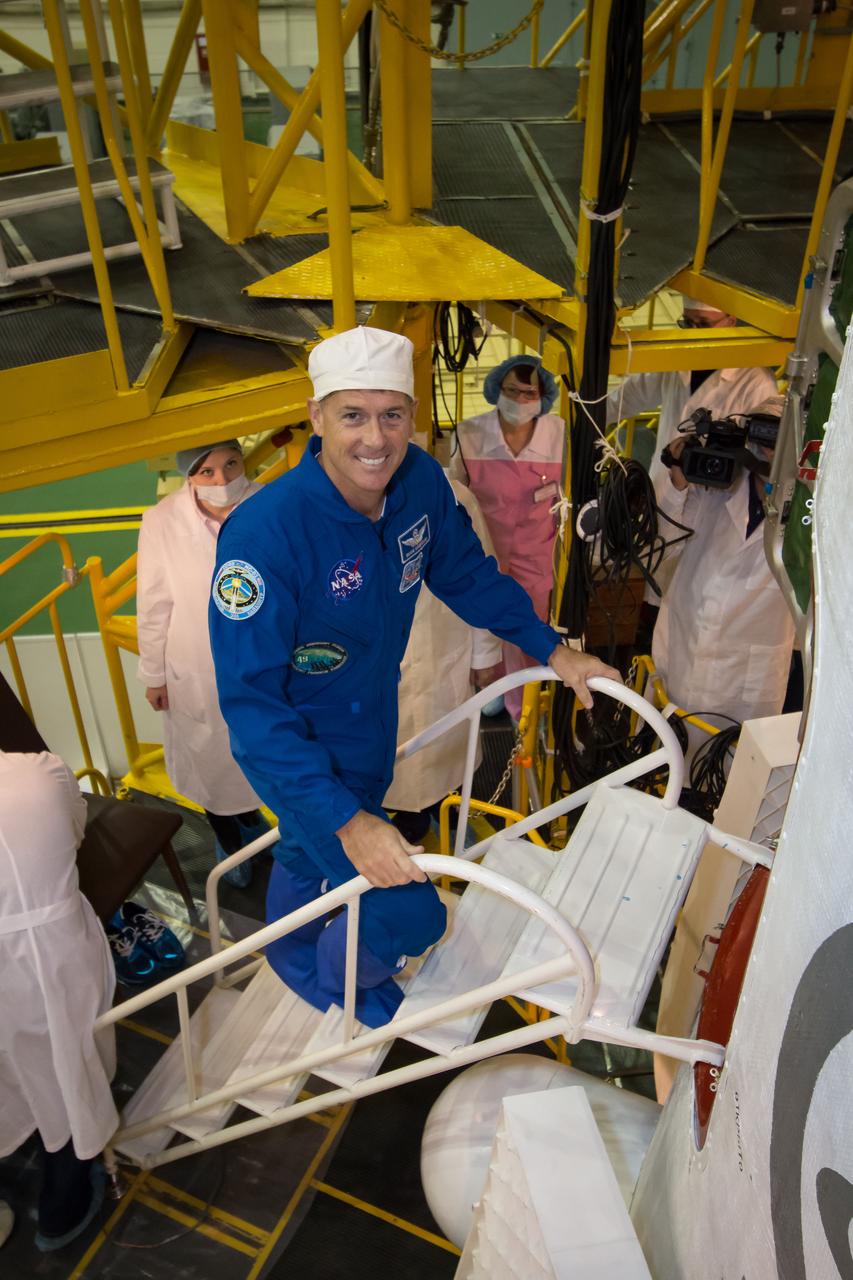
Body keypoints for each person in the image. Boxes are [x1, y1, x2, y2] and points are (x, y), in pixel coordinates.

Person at [208, 327, 618, 1028]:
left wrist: (553, 652)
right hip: (300, 756)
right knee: (411, 915)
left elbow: (465, 575)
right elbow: (252, 711)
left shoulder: (419, 483)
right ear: (316, 418)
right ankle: (331, 978)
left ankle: (296, 948)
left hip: (373, 728)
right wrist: (349, 821)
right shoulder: (262, 537)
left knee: (308, 858)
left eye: (392, 414)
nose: (376, 438)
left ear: (412, 417)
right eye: (353, 416)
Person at [136, 439, 271, 888]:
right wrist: (154, 673)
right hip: (196, 667)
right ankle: (233, 841)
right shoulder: (161, 522)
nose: (222, 480)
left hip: (265, 662)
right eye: (207, 472)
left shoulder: (272, 504)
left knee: (269, 756)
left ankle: (260, 828)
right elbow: (154, 602)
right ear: (188, 475)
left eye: (231, 465)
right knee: (212, 765)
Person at [0, 751, 117, 1251]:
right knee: (67, 1060)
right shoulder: (40, 771)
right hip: (53, 956)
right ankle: (64, 1188)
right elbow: (74, 831)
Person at [652, 395, 795, 726]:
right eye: (763, 441)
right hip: (680, 656)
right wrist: (677, 483)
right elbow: (661, 550)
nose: (770, 453)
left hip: (746, 688)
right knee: (665, 763)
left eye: (780, 442)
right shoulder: (711, 485)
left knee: (730, 771)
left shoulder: (807, 512)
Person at [385, 478, 502, 844]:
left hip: (442, 652)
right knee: (390, 770)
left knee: (445, 760)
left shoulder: (453, 495)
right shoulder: (330, 505)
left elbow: (480, 579)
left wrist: (485, 652)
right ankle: (408, 827)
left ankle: (443, 816)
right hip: (377, 672)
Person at [449, 354, 564, 718]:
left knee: (531, 635)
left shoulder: (560, 436)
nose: (519, 399)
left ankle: (525, 712)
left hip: (537, 560)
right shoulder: (468, 436)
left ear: (543, 397)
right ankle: (491, 687)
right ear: (496, 389)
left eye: (529, 393)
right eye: (511, 390)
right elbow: (454, 494)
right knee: (483, 630)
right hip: (483, 556)